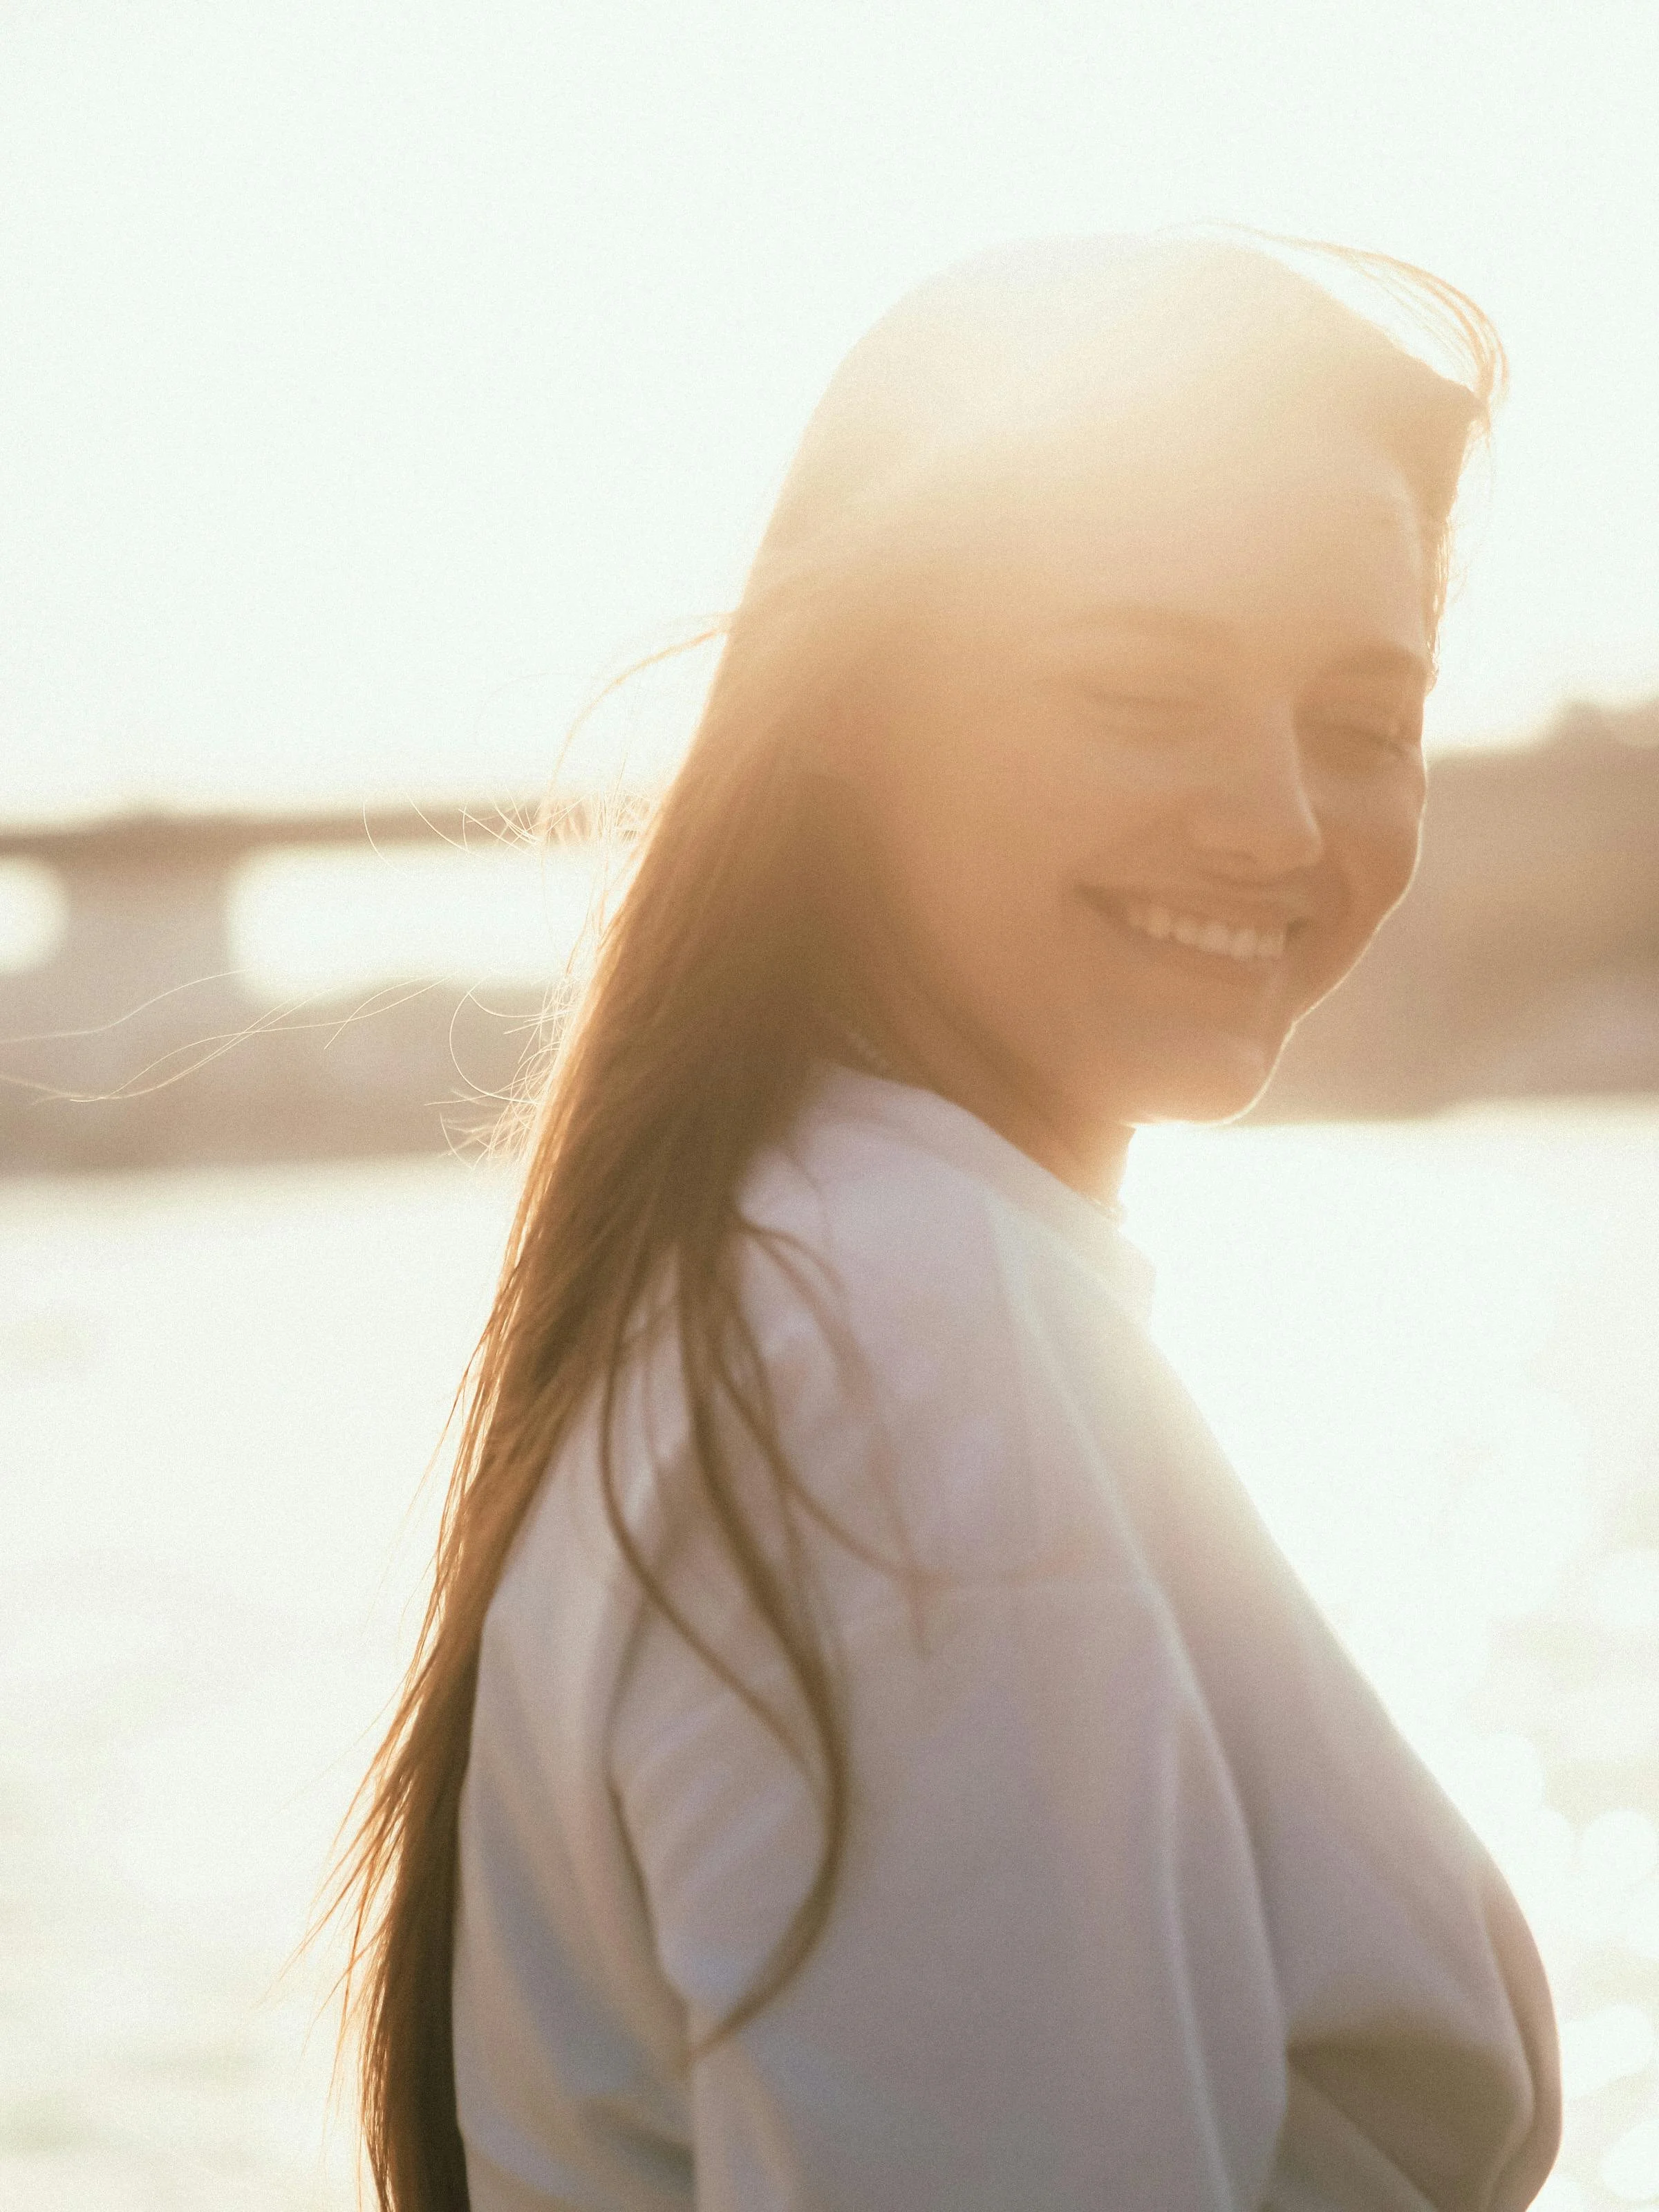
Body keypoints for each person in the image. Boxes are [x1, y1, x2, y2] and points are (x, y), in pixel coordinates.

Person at [339, 232, 1562, 2209]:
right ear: (852, 700)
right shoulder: (898, 1353)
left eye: (1363, 718)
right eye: (1142, 690)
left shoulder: (821, 1289)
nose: (1279, 820)